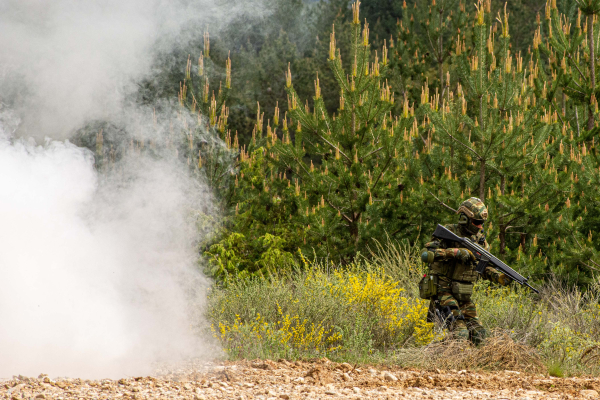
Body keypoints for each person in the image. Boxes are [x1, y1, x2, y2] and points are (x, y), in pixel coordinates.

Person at [420, 197, 510, 344]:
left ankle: (474, 365)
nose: (480, 227)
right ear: (464, 218)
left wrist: (498, 276)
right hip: (443, 289)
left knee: (479, 334)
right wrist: (456, 252)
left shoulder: (480, 241)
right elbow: (426, 254)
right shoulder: (449, 231)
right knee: (460, 333)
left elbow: (483, 267)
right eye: (476, 222)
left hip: (463, 293)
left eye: (482, 223)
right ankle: (438, 356)